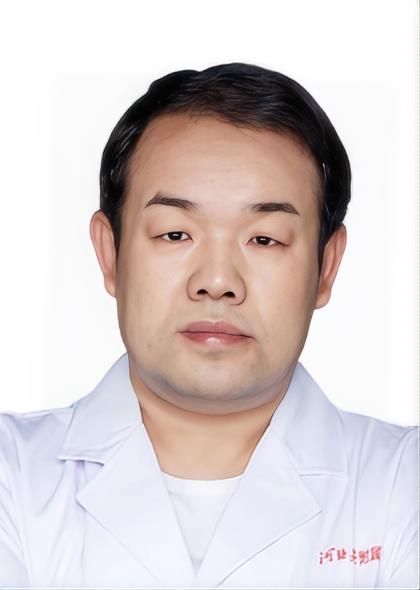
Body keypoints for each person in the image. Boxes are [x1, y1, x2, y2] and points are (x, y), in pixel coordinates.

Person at [0, 63, 418, 589]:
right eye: (175, 234)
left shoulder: (405, 483)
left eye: (264, 239)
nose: (217, 282)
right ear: (109, 254)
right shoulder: (11, 473)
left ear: (326, 267)